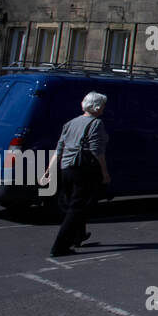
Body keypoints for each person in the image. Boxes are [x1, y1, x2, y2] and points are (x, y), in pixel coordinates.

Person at [41, 91, 111, 257]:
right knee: (77, 207)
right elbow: (97, 151)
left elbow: (59, 148)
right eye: (103, 105)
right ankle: (60, 246)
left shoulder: (71, 123)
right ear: (97, 106)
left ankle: (78, 236)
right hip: (83, 168)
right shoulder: (96, 124)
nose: (104, 108)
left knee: (74, 202)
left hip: (67, 168)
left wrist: (50, 170)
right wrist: (105, 172)